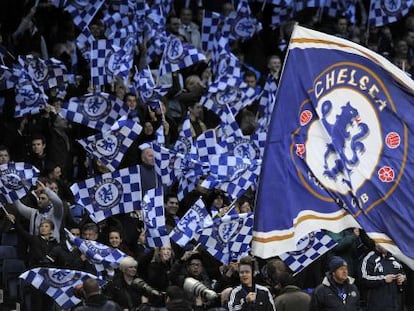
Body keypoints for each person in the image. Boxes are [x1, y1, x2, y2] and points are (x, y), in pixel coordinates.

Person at [360, 243, 406, 311]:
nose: (386, 244)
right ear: (376, 243)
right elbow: (363, 278)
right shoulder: (369, 258)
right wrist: (383, 279)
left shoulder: (394, 258)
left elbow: (403, 275)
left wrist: (403, 278)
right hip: (377, 305)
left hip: (395, 305)